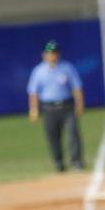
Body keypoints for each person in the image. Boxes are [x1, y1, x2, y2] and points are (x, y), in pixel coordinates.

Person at [27, 40, 86, 171]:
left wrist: (80, 103)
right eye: (49, 53)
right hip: (49, 108)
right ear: (44, 55)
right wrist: (34, 109)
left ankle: (76, 162)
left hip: (67, 106)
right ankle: (58, 162)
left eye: (54, 53)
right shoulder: (38, 71)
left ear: (58, 54)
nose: (52, 55)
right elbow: (33, 92)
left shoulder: (67, 68)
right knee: (53, 136)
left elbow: (76, 87)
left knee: (73, 134)